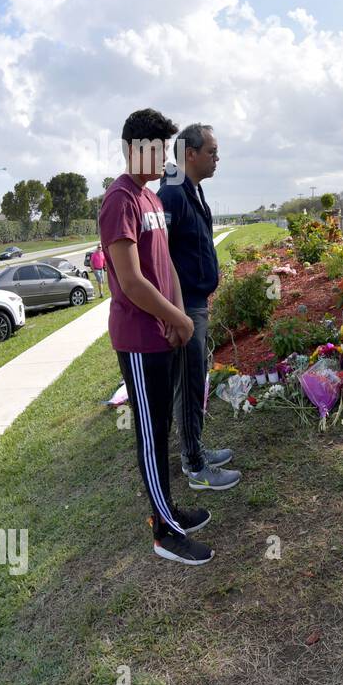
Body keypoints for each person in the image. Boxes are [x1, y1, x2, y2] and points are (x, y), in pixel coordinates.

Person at [100, 108, 213, 565]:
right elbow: (130, 280)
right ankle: (164, 532)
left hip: (163, 329)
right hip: (139, 338)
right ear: (133, 149)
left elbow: (163, 268)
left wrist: (177, 312)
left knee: (161, 428)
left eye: (166, 148)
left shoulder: (150, 200)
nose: (164, 156)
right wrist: (178, 319)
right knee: (150, 435)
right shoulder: (119, 200)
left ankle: (171, 511)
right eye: (156, 148)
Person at [158, 123, 241, 492]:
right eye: (211, 151)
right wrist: (175, 311)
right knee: (190, 385)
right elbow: (162, 256)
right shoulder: (172, 194)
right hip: (186, 305)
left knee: (194, 381)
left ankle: (197, 450)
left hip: (196, 302)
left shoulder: (193, 189)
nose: (217, 158)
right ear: (189, 154)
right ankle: (195, 465)